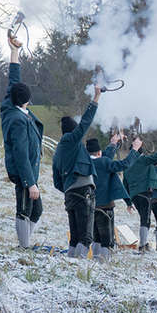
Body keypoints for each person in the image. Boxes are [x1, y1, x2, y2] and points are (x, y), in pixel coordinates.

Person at [1, 36, 45, 250]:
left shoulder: (10, 107)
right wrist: (30, 182)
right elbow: (20, 153)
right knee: (25, 209)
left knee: (36, 210)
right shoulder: (17, 119)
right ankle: (24, 247)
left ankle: (25, 243)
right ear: (27, 99)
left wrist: (15, 52)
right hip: (23, 172)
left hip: (29, 172)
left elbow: (13, 81)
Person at [52, 88, 102, 258]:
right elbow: (86, 122)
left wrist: (68, 187)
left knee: (75, 238)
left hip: (70, 194)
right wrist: (96, 97)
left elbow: (56, 182)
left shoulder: (58, 151)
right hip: (82, 192)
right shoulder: (71, 140)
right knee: (86, 237)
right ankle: (78, 267)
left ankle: (71, 265)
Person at [88, 134, 141, 258]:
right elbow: (124, 164)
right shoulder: (105, 162)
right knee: (107, 239)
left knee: (95, 236)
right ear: (99, 152)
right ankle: (105, 262)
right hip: (105, 207)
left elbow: (105, 158)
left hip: (89, 205)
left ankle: (95, 260)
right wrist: (134, 150)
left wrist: (113, 143)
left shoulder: (87, 162)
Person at [123, 136, 157, 252]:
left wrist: (128, 202)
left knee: (143, 218)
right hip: (145, 194)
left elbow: (125, 185)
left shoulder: (126, 165)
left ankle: (143, 244)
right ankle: (142, 245)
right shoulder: (142, 160)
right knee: (145, 220)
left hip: (134, 196)